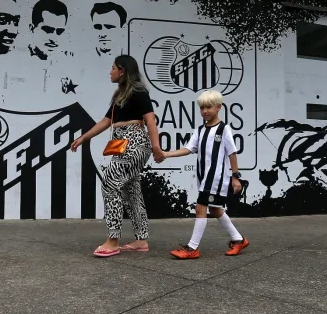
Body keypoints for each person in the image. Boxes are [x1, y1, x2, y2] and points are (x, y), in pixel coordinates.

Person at [70, 54, 164, 257]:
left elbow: (150, 120)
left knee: (110, 184)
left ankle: (113, 240)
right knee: (131, 190)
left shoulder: (138, 91)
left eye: (113, 68)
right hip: (124, 143)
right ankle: (141, 239)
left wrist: (156, 148)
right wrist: (83, 138)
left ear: (122, 71)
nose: (110, 71)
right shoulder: (120, 94)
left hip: (134, 142)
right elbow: (106, 122)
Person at [160, 90, 249, 259]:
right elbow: (188, 149)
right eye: (202, 108)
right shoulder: (200, 130)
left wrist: (236, 177)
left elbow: (232, 153)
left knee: (200, 207)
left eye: (208, 107)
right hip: (204, 177)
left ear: (218, 107)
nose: (205, 111)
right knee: (215, 209)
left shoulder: (224, 129)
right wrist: (167, 154)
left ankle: (192, 248)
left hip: (216, 178)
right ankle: (238, 239)